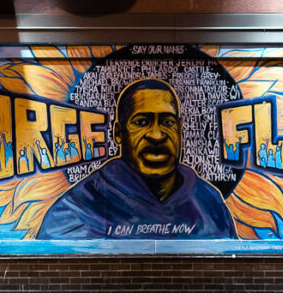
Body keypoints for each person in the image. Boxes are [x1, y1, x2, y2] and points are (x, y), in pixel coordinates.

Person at [37, 78, 236, 240]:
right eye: (141, 122)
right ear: (118, 133)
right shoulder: (75, 210)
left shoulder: (209, 202)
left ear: (180, 129)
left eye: (167, 122)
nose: (157, 135)